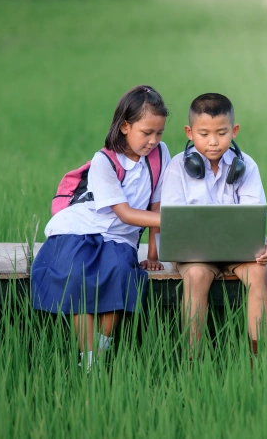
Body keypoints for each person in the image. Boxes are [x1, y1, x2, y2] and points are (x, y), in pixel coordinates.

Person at [31, 85, 169, 371]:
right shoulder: (103, 161)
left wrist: (153, 256)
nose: (154, 140)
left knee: (119, 273)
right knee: (79, 276)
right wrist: (176, 220)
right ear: (125, 126)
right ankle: (88, 359)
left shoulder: (159, 155)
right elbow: (126, 212)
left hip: (120, 236)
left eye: (159, 133)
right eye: (147, 133)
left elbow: (156, 205)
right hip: (80, 227)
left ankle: (102, 351)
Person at [161, 93, 267, 357]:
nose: (213, 141)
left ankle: (260, 360)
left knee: (259, 273)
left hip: (237, 250)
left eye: (221, 133)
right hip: (193, 253)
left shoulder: (246, 167)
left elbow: (253, 214)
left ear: (234, 131)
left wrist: (262, 243)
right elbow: (173, 218)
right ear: (189, 132)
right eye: (204, 133)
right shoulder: (177, 167)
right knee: (197, 276)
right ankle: (194, 360)